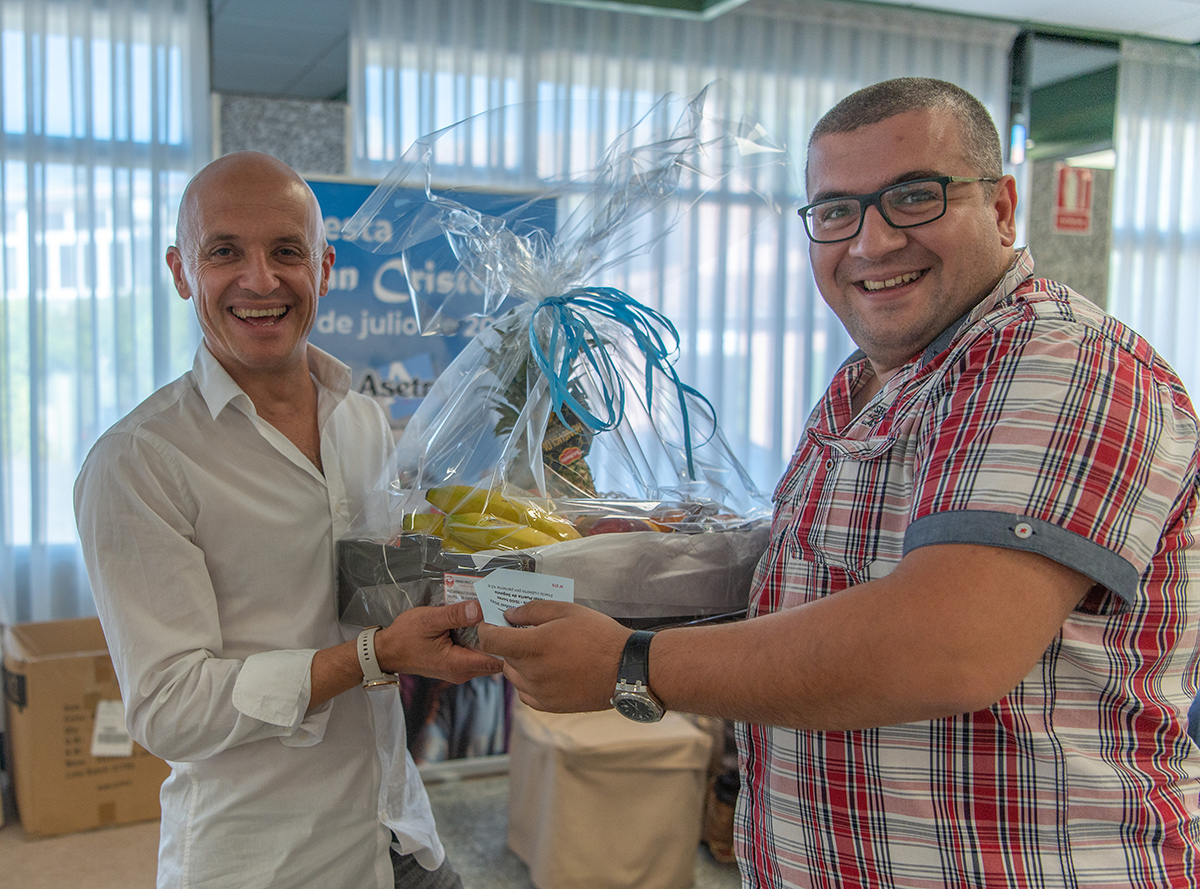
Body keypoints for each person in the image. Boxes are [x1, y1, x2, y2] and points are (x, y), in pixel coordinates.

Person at [477, 78, 1200, 887]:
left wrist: (632, 663)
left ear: (1001, 208)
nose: (872, 241)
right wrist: (629, 561)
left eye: (915, 197)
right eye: (836, 211)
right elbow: (821, 588)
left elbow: (946, 644)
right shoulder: (869, 382)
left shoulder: (1058, 361)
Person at [74, 151, 502, 889]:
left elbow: (377, 595)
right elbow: (169, 707)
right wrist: (374, 655)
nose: (260, 280)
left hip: (398, 831)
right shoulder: (139, 461)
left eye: (286, 251)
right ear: (181, 272)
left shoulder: (362, 421)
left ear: (324, 268)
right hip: (268, 860)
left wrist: (476, 601)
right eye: (224, 252)